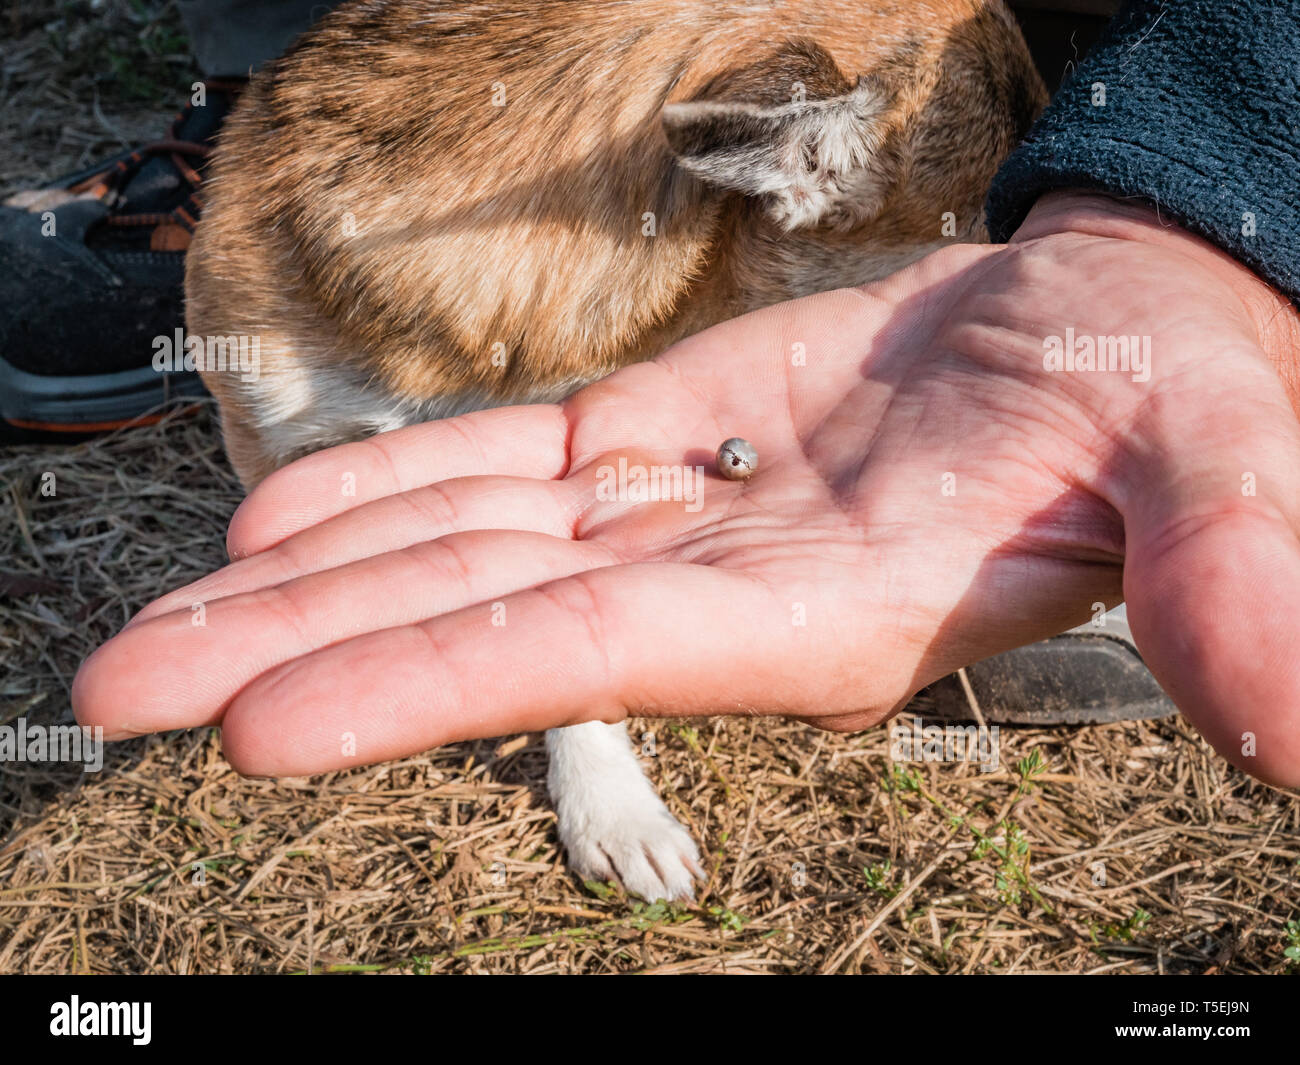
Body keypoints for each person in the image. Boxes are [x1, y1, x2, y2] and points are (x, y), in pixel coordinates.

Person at [53, 1, 1300, 785]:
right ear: (792, 165)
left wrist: (1158, 233)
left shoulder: (680, 266)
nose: (995, 255)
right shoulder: (269, 260)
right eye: (972, 229)